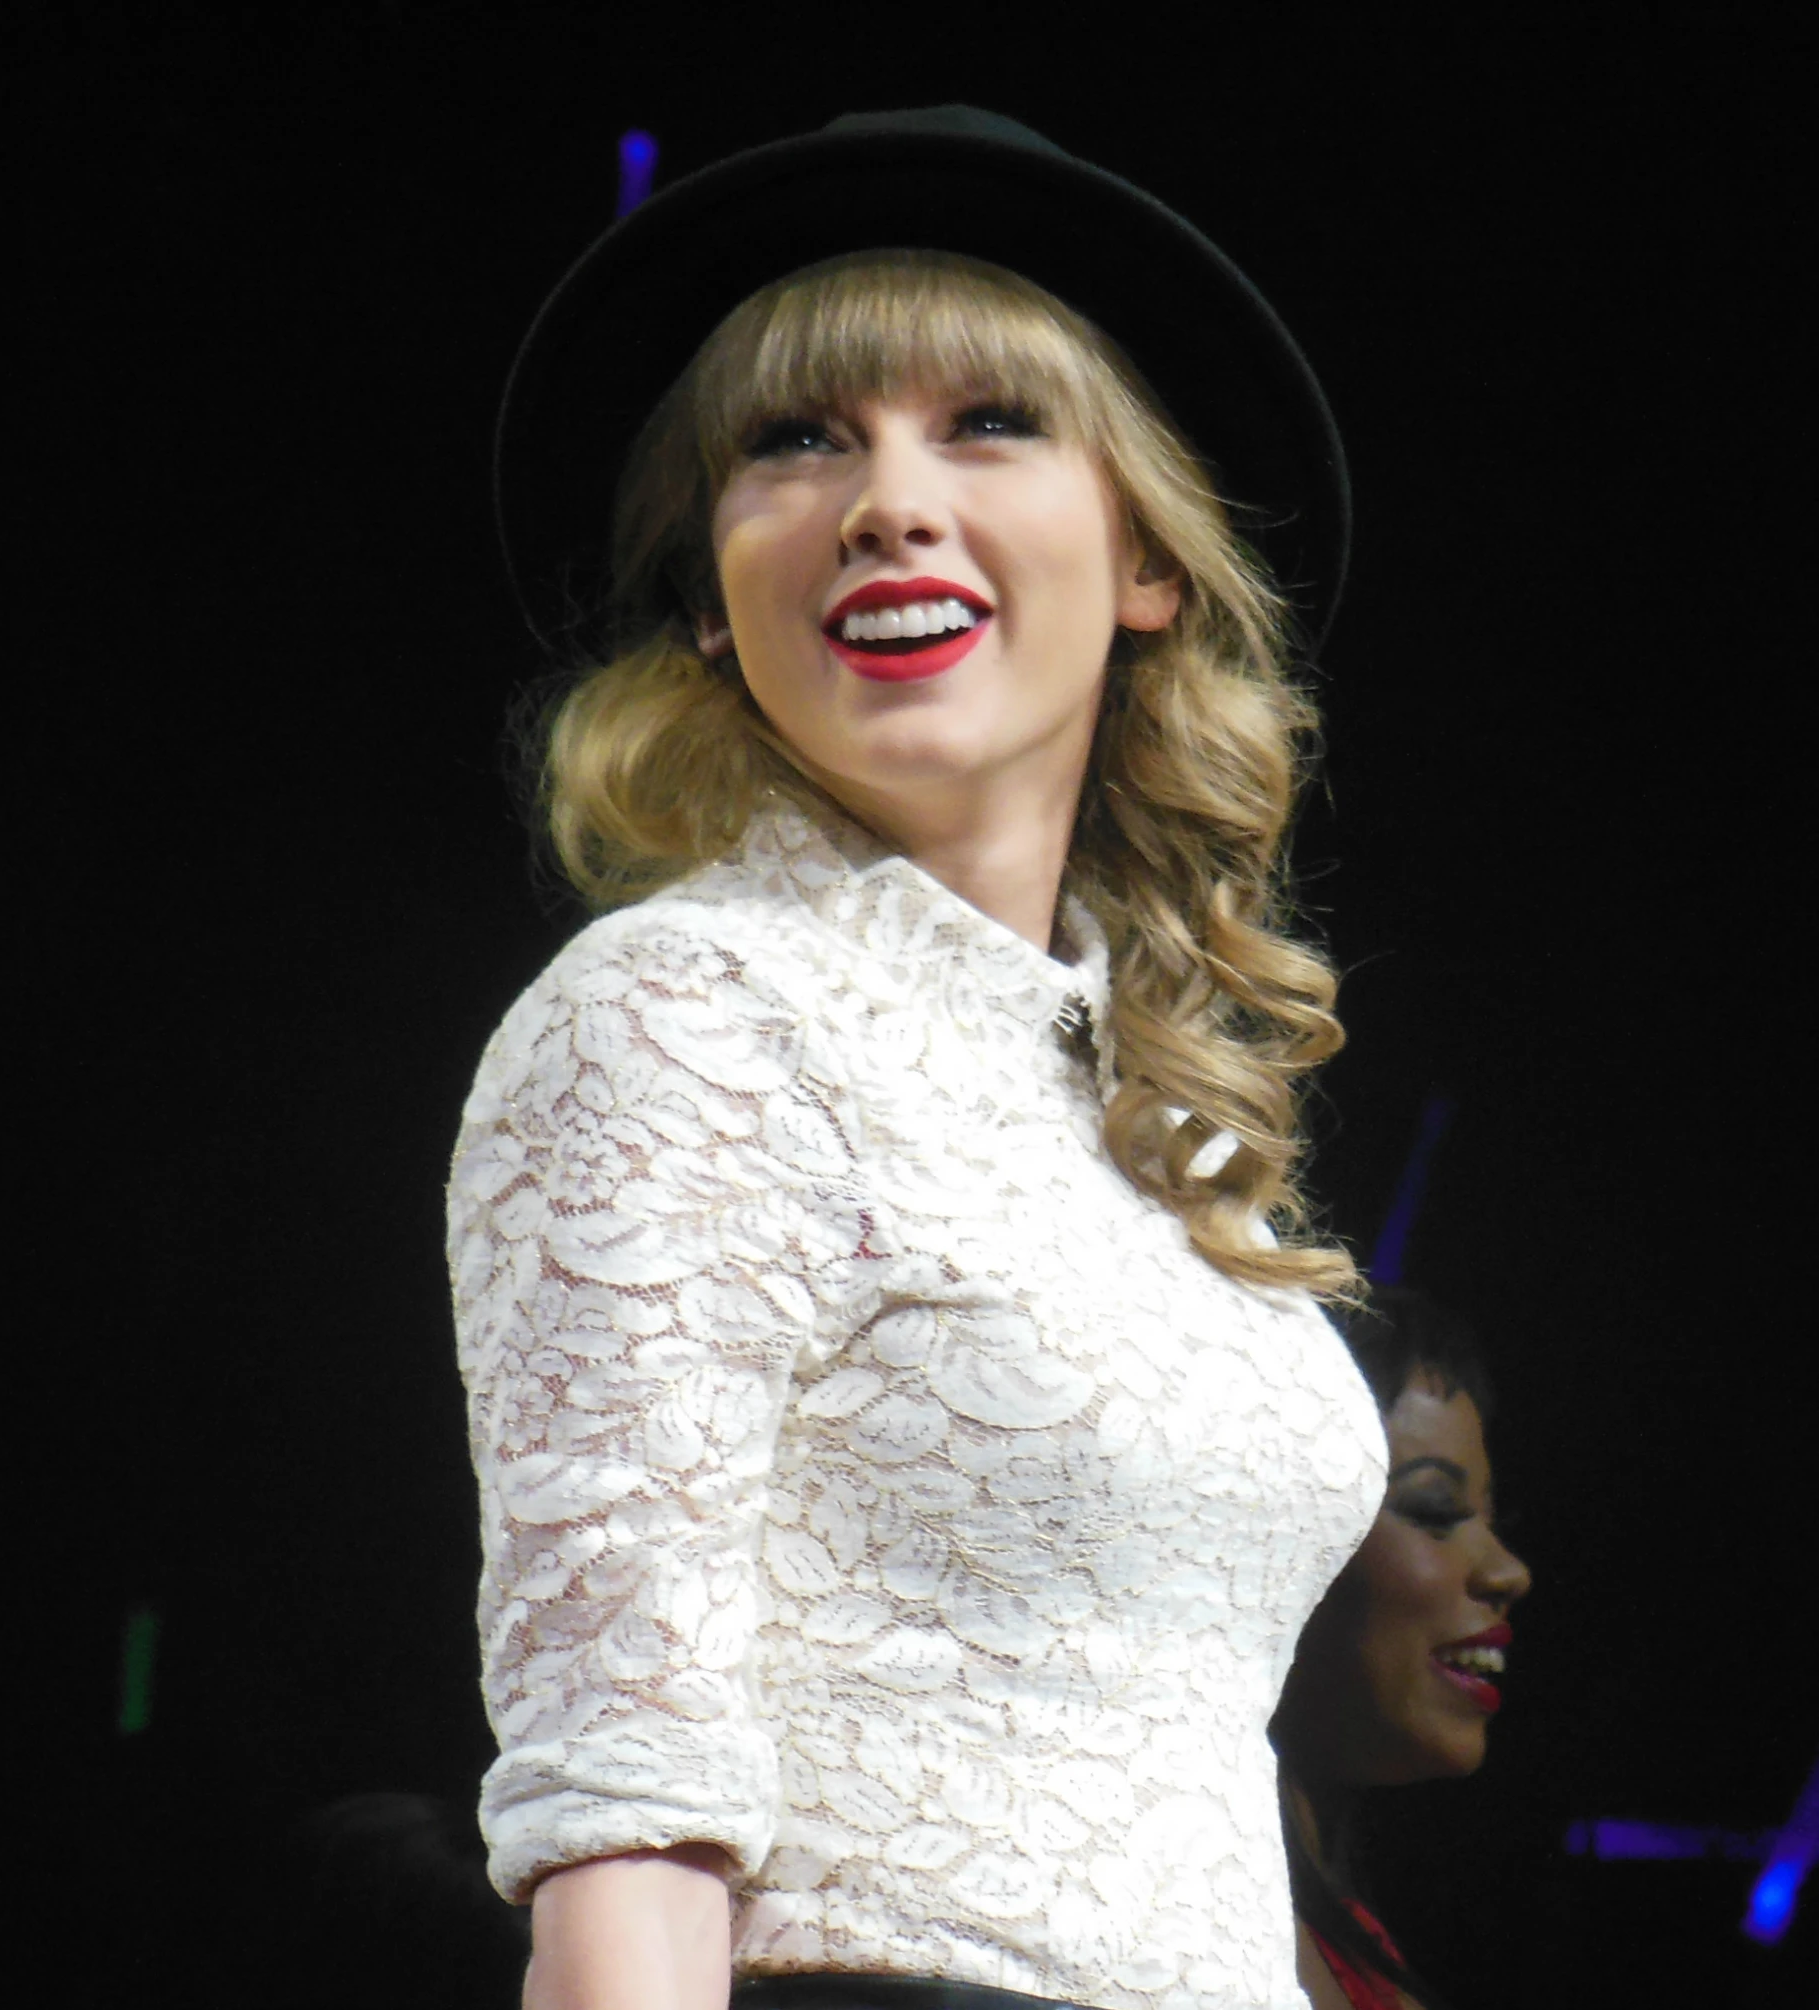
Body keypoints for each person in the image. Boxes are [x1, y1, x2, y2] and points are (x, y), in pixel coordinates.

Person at [448, 105, 1389, 2010]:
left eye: (987, 423)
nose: (884, 498)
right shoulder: (685, 1010)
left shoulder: (1151, 1106)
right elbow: (622, 1788)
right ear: (712, 608)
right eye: (793, 442)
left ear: (1144, 560)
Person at [1269, 1287, 1534, 2010]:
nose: (1508, 1572)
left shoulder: (1345, 1941)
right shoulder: (1182, 1938)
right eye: (1433, 1512)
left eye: (1489, 1518)